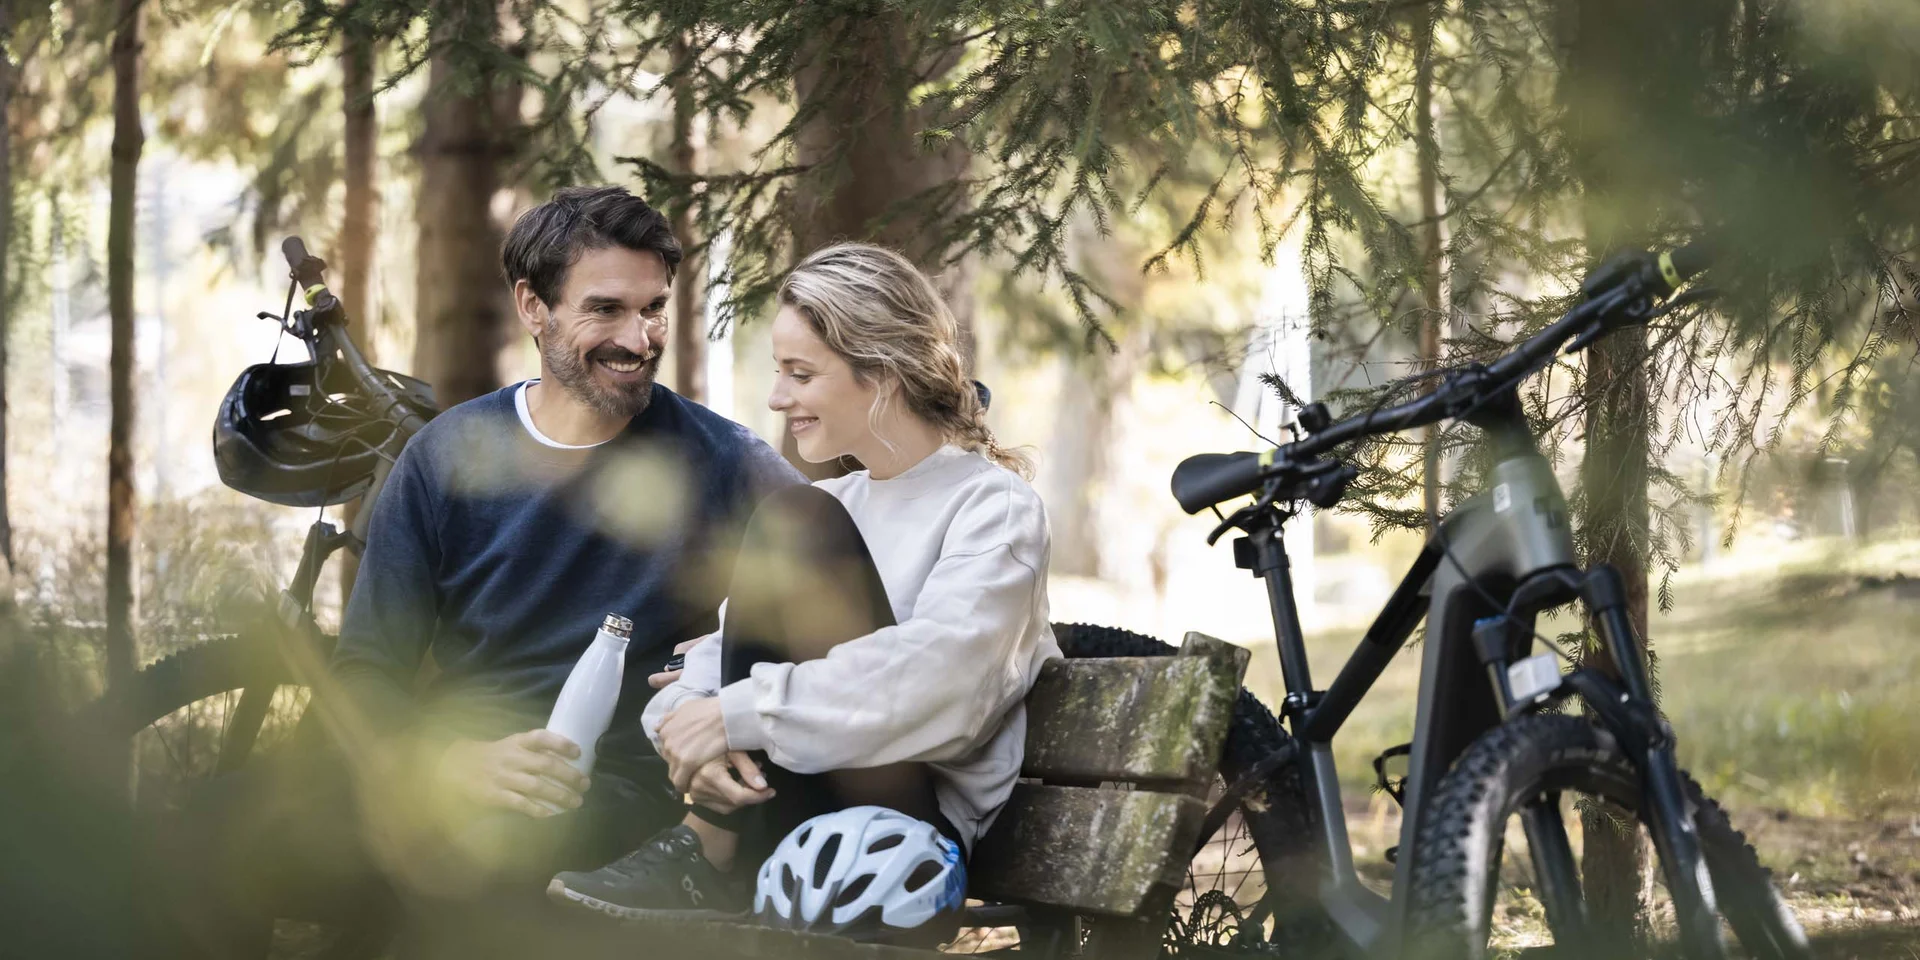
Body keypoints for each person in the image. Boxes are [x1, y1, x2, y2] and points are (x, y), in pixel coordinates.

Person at [151, 185, 802, 958]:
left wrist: (732, 670)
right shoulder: (446, 457)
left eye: (654, 307)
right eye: (606, 310)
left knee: (477, 867)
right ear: (534, 306)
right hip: (447, 770)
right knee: (203, 828)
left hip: (619, 788)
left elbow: (838, 604)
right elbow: (367, 670)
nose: (641, 337)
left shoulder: (727, 464)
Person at [547, 242, 1062, 932]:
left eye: (800, 373)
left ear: (880, 373)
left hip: (897, 834)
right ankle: (707, 844)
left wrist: (740, 714)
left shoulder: (990, 506)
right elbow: (720, 655)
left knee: (795, 517)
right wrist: (697, 737)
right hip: (785, 798)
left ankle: (706, 853)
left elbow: (949, 678)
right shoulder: (840, 501)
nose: (777, 396)